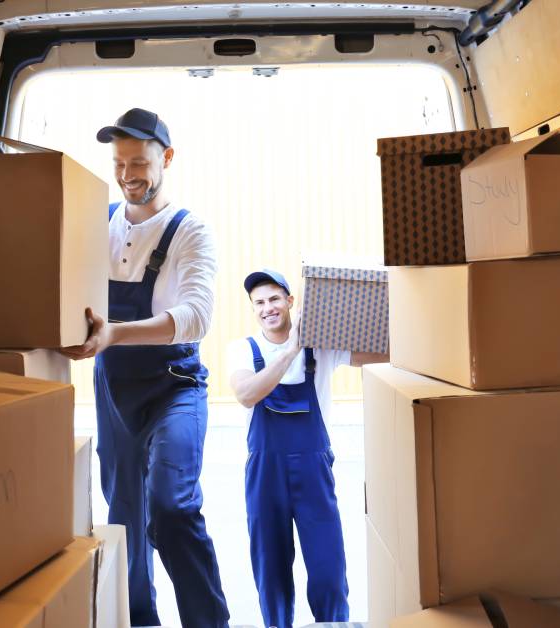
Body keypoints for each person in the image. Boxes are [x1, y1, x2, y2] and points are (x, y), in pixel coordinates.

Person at [62, 108, 229, 628]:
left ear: (167, 158)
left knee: (172, 509)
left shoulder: (190, 232)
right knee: (124, 520)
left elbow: (197, 317)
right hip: (113, 390)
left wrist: (115, 333)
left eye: (139, 162)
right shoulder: (97, 224)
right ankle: (140, 621)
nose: (128, 174)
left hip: (174, 389)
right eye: (118, 163)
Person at [226, 269, 386, 628]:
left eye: (274, 299)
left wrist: (363, 310)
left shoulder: (322, 347)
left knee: (328, 568)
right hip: (265, 473)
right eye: (260, 302)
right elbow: (246, 394)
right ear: (254, 309)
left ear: (291, 301)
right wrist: (291, 348)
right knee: (272, 569)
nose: (268, 308)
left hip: (314, 471)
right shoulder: (243, 350)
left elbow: (385, 352)